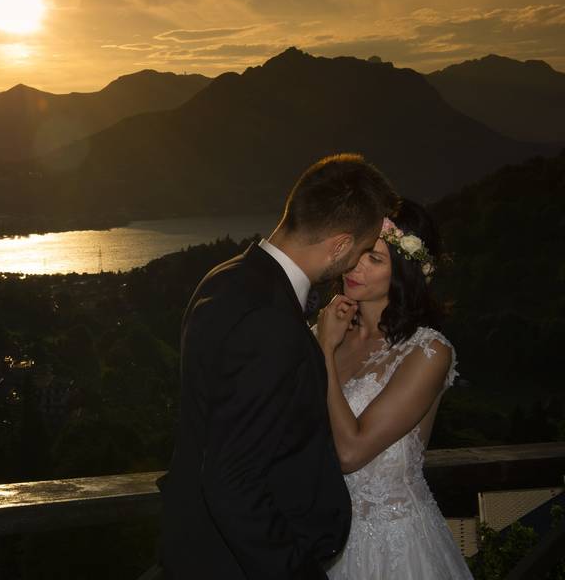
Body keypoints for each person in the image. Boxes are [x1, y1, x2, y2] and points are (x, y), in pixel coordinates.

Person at [158, 153, 399, 579]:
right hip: (238, 566)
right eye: (360, 249)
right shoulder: (270, 321)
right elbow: (232, 480)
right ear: (340, 244)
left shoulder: (225, 276)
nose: (357, 261)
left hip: (195, 548)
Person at [315, 199, 472, 579]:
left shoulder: (428, 351)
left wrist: (322, 351)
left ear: (403, 272)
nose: (354, 265)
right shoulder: (325, 333)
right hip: (318, 538)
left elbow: (351, 452)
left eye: (375, 258)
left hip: (394, 549)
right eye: (358, 251)